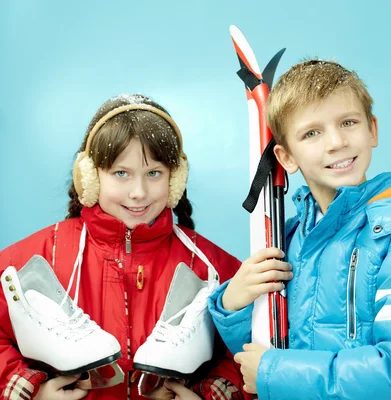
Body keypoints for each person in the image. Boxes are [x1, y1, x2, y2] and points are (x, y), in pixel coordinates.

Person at [208, 59, 391, 399]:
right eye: (312, 133)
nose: (336, 142)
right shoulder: (291, 240)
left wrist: (278, 373)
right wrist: (234, 305)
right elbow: (260, 354)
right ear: (287, 157)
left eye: (348, 122)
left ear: (372, 129)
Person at [0, 94, 251, 400]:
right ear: (89, 177)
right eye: (121, 173)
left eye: (154, 173)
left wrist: (208, 394)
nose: (138, 192)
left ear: (175, 179)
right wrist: (32, 391)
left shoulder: (218, 269)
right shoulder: (30, 262)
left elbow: (249, 349)